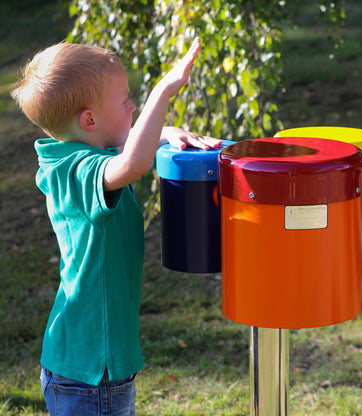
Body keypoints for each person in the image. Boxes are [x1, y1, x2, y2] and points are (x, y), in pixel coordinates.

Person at [11, 37, 221, 416]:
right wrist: (164, 89)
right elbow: (133, 163)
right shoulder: (75, 171)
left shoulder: (85, 149)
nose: (133, 105)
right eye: (124, 100)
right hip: (90, 373)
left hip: (94, 365)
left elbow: (127, 146)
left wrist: (166, 132)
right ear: (89, 120)